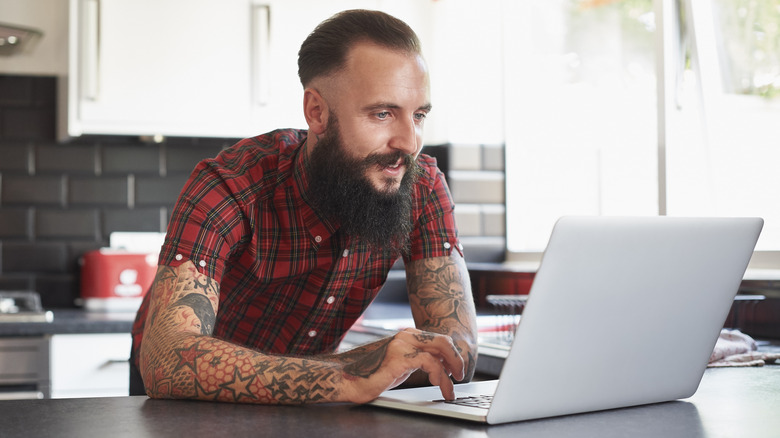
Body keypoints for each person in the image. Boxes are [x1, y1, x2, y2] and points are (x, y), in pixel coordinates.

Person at [129, 9, 478, 404]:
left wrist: (348, 373)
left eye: (418, 116)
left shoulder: (421, 186)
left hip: (313, 398)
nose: (410, 142)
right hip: (187, 395)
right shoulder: (230, 184)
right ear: (317, 112)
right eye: (383, 114)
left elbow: (456, 349)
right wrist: (349, 373)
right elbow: (167, 361)